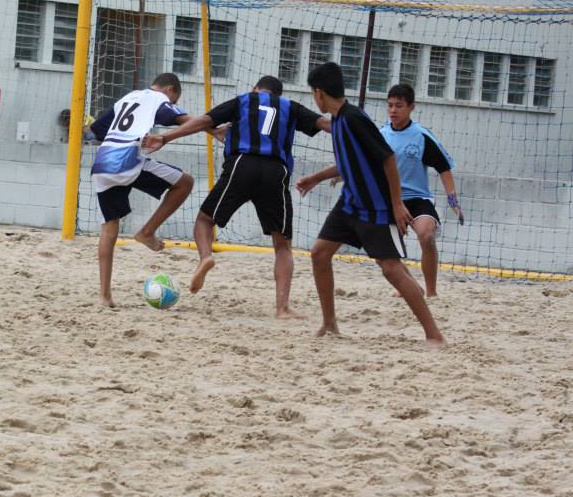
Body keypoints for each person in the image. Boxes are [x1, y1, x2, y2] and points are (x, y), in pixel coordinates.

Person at [142, 75, 330, 318]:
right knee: (282, 245)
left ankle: (205, 258)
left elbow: (203, 121)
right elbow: (325, 124)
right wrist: (352, 132)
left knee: (204, 220)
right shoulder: (291, 107)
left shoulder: (243, 100)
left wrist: (166, 137)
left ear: (255, 89)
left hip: (242, 164)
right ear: (278, 95)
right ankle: (282, 309)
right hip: (276, 171)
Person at [295, 62, 444, 346]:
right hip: (349, 203)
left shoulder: (354, 119)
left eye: (313, 94)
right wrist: (315, 177)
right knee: (319, 253)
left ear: (319, 93)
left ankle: (434, 335)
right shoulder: (338, 120)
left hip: (374, 206)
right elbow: (348, 162)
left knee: (391, 269)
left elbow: (388, 158)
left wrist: (397, 204)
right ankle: (329, 323)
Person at [88, 73, 199, 308]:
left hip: (102, 165)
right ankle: (147, 232)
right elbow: (186, 121)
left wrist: (127, 136)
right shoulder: (158, 99)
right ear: (170, 90)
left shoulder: (128, 98)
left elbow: (97, 129)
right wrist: (215, 129)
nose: (173, 104)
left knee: (109, 230)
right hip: (127, 162)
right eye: (174, 100)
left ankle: (104, 296)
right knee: (185, 182)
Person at [380, 83, 463, 297]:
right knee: (384, 252)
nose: (393, 110)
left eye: (399, 106)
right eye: (390, 105)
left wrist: (453, 201)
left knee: (426, 236)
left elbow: (443, 168)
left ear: (411, 107)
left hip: (417, 199)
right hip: (390, 200)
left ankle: (431, 293)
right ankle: (410, 287)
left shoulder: (421, 136)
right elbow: (364, 162)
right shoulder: (381, 135)